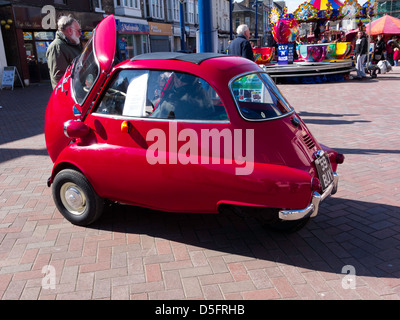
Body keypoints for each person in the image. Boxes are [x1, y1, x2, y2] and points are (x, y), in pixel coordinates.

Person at [46, 15, 83, 89]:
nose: (80, 34)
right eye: (79, 30)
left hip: (79, 92)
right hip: (71, 95)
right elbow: (60, 79)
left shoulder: (72, 45)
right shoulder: (56, 47)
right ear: (69, 30)